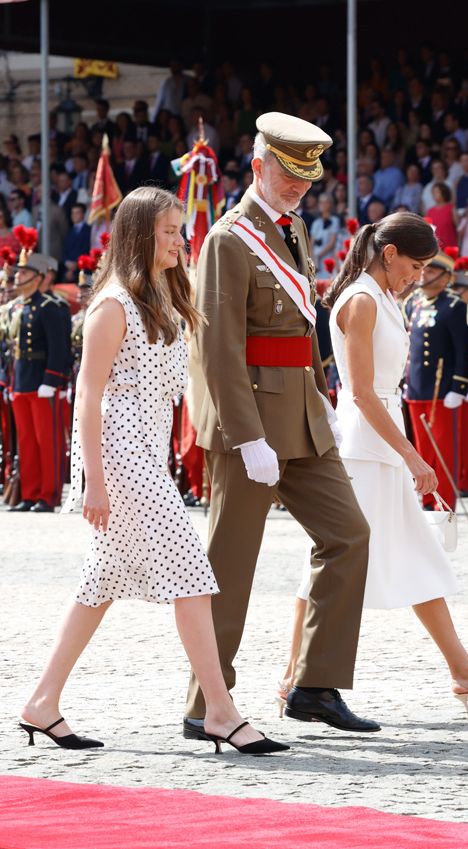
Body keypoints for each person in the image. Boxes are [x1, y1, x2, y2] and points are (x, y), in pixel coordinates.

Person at [19, 187, 288, 756]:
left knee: (99, 584)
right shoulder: (113, 305)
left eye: (179, 230)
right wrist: (92, 479)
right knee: (192, 571)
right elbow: (87, 397)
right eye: (168, 231)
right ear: (140, 234)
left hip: (146, 450)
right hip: (118, 455)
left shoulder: (163, 296)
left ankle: (42, 703)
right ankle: (220, 710)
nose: (179, 240)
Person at [278, 213, 468, 715]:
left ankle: (463, 670)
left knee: (417, 556)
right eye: (415, 265)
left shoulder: (383, 297)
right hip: (365, 447)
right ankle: (293, 677)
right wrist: (412, 455)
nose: (419, 276)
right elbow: (364, 393)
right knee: (334, 562)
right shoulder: (363, 300)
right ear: (389, 253)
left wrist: (407, 451)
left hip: (380, 443)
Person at [185, 112, 380, 736]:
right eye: (287, 174)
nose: (298, 188)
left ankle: (314, 685)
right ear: (258, 166)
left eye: (306, 178)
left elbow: (300, 327)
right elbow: (218, 348)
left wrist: (318, 392)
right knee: (230, 564)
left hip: (301, 414)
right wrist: (245, 435)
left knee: (348, 533)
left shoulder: (291, 229)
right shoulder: (228, 238)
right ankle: (207, 705)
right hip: (251, 426)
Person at [404, 250, 468, 510]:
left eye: (431, 272)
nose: (424, 276)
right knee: (423, 449)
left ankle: (444, 500)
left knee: (442, 449)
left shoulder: (454, 306)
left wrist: (459, 386)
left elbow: (463, 351)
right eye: (424, 270)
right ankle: (428, 498)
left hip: (441, 389)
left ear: (446, 277)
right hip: (418, 386)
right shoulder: (414, 303)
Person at [8, 253, 71, 513]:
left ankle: (48, 495)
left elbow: (60, 348)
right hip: (22, 380)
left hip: (43, 382)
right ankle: (30, 493)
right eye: (18, 273)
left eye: (23, 273)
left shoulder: (50, 307)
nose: (17, 277)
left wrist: (52, 379)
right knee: (27, 442)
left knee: (47, 441)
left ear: (40, 277)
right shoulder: (20, 307)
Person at [426, 183, 458, 250]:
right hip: (435, 247)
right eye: (433, 192)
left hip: (450, 246)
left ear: (444, 193)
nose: (434, 195)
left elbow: (458, 226)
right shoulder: (430, 211)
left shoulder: (451, 208)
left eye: (437, 192)